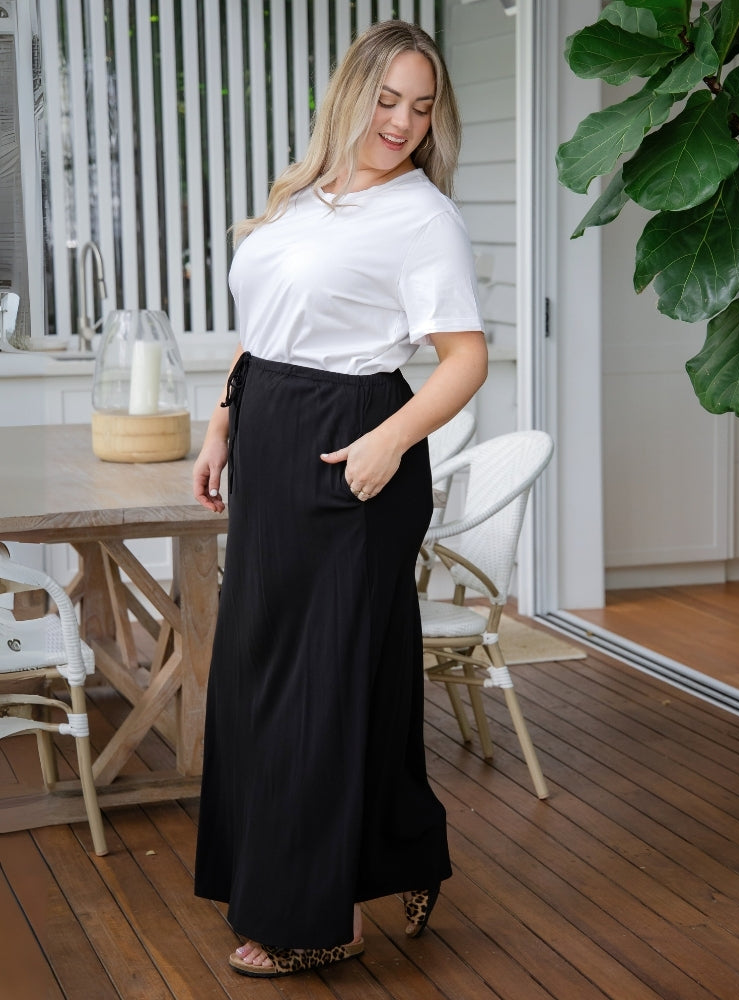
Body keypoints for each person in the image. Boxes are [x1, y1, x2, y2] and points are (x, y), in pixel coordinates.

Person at [192, 18, 488, 979]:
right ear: (349, 94)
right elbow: (262, 329)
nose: (402, 121)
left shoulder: (422, 217)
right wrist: (222, 424)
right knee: (267, 673)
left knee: (316, 686)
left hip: (353, 445)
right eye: (388, 98)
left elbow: (465, 359)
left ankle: (319, 915)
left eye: (422, 105)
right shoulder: (302, 196)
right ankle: (394, 852)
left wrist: (389, 444)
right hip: (271, 438)